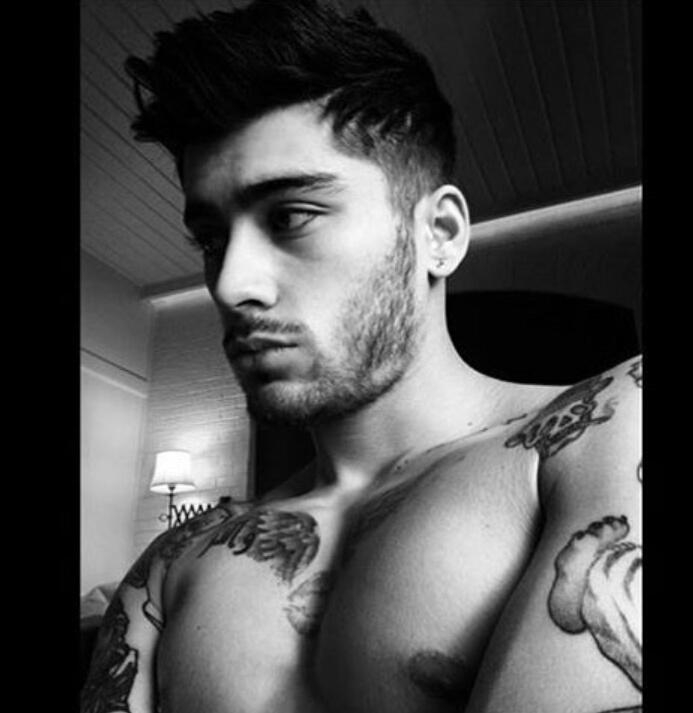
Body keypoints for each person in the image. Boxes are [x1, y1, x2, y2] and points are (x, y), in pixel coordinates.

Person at [81, 1, 642, 711]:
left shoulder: (611, 429)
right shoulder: (174, 560)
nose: (229, 283)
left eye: (290, 215)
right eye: (212, 239)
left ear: (439, 233)